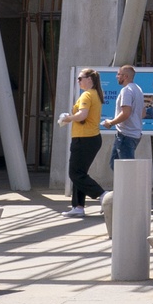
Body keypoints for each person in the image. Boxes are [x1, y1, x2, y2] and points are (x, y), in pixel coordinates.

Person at [57, 67, 105, 218]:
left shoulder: (87, 95)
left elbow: (82, 115)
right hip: (91, 138)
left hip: (84, 139)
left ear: (89, 79)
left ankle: (103, 195)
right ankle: (78, 207)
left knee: (75, 173)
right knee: (80, 173)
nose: (78, 81)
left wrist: (67, 118)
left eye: (80, 78)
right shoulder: (95, 94)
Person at [102, 65, 145, 168]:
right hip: (133, 133)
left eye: (118, 74)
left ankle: (131, 184)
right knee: (115, 165)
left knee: (126, 169)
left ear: (125, 76)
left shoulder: (126, 91)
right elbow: (143, 113)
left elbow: (126, 113)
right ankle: (122, 184)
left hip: (126, 135)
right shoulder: (138, 89)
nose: (117, 76)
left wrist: (111, 123)